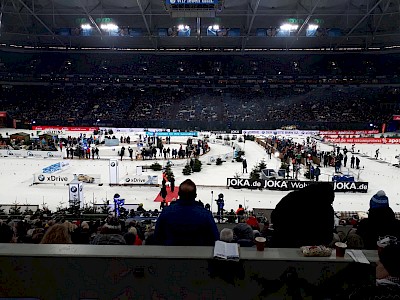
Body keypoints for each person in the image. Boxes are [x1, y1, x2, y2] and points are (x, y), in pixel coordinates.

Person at [154, 179, 219, 246]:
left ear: (178, 194)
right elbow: (215, 238)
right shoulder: (206, 215)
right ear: (195, 195)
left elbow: (157, 237)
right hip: (198, 254)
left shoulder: (166, 212)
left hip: (170, 254)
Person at [270, 182, 335, 248]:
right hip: (311, 251)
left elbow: (274, 217)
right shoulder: (326, 208)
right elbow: (328, 237)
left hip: (283, 245)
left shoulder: (292, 197)